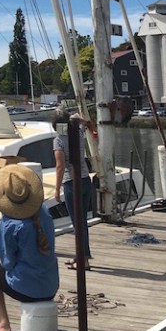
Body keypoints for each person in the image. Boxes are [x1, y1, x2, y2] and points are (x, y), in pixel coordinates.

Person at [0, 164, 59, 331]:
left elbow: (7, 263)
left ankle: (4, 324)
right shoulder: (44, 211)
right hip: (50, 286)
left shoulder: (10, 224)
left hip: (27, 290)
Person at [52, 109, 97, 270]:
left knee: (77, 224)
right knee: (82, 222)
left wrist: (57, 189)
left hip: (71, 183)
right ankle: (82, 255)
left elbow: (60, 166)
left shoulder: (58, 140)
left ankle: (83, 260)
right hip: (85, 180)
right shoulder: (78, 133)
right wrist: (75, 119)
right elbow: (83, 120)